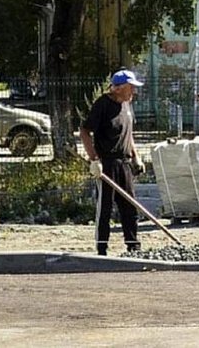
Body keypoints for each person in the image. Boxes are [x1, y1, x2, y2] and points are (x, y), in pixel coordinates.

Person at [80, 68, 146, 256]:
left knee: (129, 205)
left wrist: (136, 156)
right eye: (130, 87)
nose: (133, 91)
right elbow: (84, 131)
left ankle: (133, 246)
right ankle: (102, 248)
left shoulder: (127, 104)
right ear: (118, 88)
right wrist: (94, 159)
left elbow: (128, 133)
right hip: (106, 163)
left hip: (124, 163)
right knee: (106, 208)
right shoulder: (102, 104)